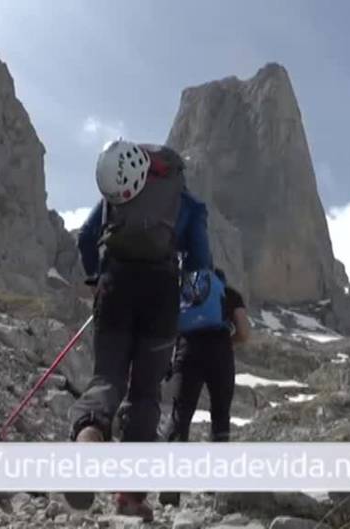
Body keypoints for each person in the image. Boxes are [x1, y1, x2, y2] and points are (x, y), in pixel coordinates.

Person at [65, 140, 211, 522]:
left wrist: (96, 278)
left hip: (115, 287)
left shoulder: (123, 191)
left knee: (107, 377)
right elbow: (200, 268)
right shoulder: (189, 205)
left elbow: (85, 237)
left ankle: (87, 440)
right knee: (146, 395)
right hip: (161, 298)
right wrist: (186, 300)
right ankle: (129, 496)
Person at [158, 268, 250, 507]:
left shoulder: (185, 294)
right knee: (220, 415)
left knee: (180, 415)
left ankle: (170, 485)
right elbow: (244, 332)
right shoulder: (230, 294)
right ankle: (216, 486)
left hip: (188, 350)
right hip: (220, 351)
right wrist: (227, 342)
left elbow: (167, 329)